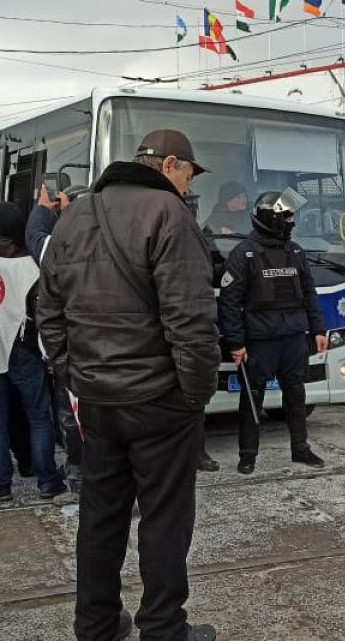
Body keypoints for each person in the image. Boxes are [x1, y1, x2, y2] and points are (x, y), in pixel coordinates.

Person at [37, 129, 221, 641]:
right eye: (188, 172)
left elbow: (47, 308)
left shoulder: (74, 215)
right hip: (159, 398)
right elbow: (191, 320)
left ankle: (95, 625)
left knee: (101, 514)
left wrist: (72, 372)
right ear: (169, 165)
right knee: (164, 516)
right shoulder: (170, 215)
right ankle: (163, 627)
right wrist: (195, 393)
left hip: (96, 398)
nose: (188, 185)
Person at [218, 189, 328, 475]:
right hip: (260, 341)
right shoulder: (244, 254)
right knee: (252, 399)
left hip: (293, 338)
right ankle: (248, 455)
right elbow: (229, 304)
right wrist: (236, 343)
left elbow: (309, 294)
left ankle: (300, 449)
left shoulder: (295, 252)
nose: (293, 221)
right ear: (273, 219)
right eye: (288, 216)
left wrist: (318, 329)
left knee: (296, 395)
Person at [0, 201, 66, 503]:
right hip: (25, 350)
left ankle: (2, 486)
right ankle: (48, 482)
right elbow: (43, 316)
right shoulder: (34, 267)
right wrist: (51, 354)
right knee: (39, 417)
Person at [26, 185, 85, 503]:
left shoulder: (60, 245)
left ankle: (82, 485)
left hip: (76, 354)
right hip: (113, 350)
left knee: (72, 418)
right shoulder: (121, 240)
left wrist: (42, 208)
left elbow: (35, 235)